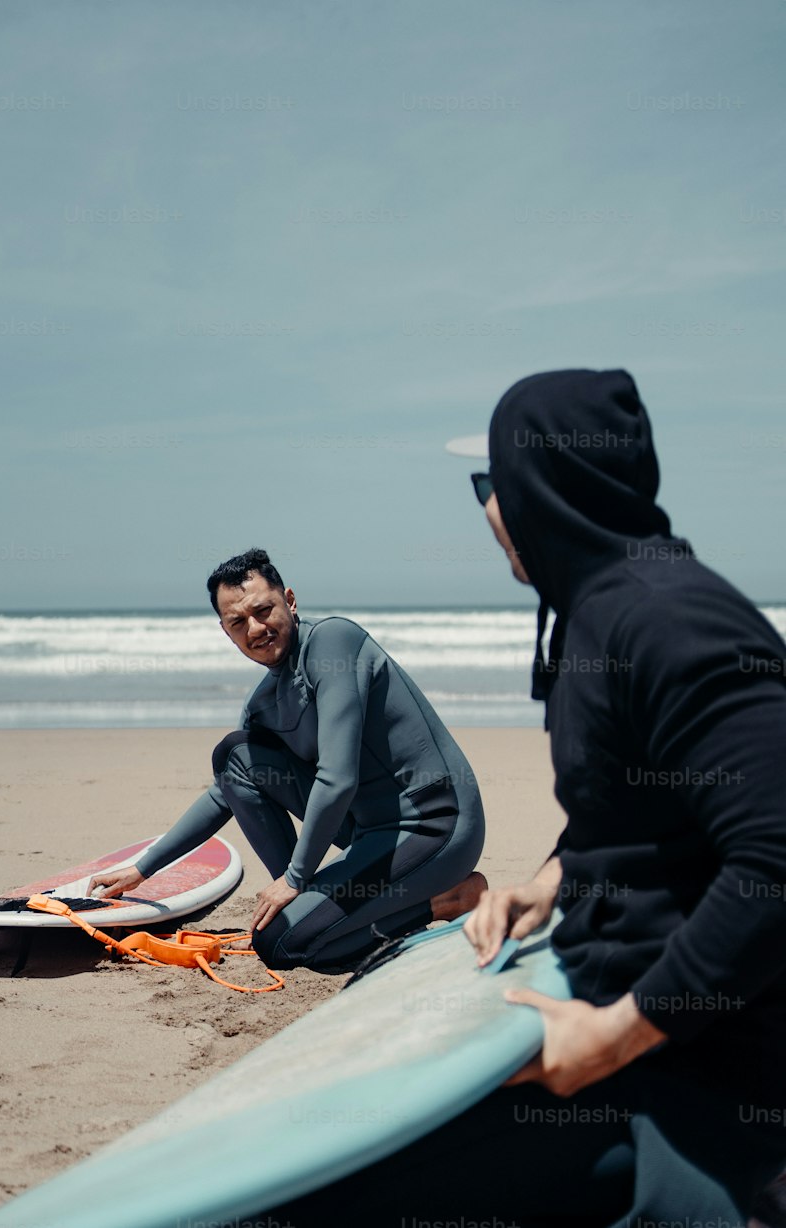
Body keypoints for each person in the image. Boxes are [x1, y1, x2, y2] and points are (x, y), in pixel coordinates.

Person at [266, 368, 786, 1225]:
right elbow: (629, 810)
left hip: (694, 1073)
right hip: (616, 1018)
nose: (486, 511)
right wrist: (547, 884)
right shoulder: (595, 615)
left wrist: (614, 1035)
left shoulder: (670, 622)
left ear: (548, 489)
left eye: (492, 486)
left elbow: (774, 856)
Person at [89, 548, 487, 972]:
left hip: (433, 824)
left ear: (290, 601)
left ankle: (450, 899)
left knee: (281, 943)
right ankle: (309, 905)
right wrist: (142, 868)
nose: (255, 629)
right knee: (234, 755)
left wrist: (295, 877)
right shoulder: (262, 704)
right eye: (237, 622)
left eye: (264, 610)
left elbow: (337, 778)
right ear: (225, 632)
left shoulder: (334, 642)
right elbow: (226, 791)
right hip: (368, 833)